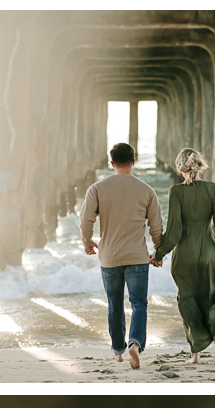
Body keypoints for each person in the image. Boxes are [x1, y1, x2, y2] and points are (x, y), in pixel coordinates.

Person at [80, 142, 162, 370]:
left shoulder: (97, 189)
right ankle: (135, 344)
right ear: (134, 162)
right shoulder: (147, 190)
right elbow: (156, 227)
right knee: (139, 304)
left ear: (112, 163)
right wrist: (158, 252)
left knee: (114, 304)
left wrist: (88, 242)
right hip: (137, 257)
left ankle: (118, 350)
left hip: (109, 257)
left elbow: (86, 220)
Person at [151, 148, 215, 364]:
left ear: (180, 167)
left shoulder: (176, 191)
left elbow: (175, 229)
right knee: (213, 294)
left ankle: (195, 354)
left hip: (184, 254)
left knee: (188, 299)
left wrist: (159, 254)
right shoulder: (213, 189)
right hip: (208, 252)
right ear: (201, 165)